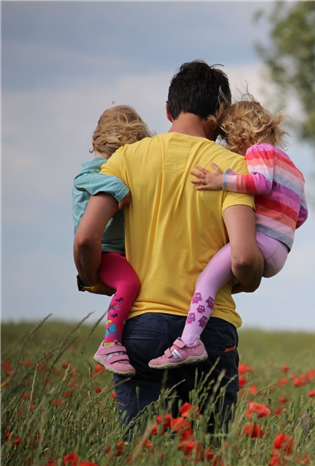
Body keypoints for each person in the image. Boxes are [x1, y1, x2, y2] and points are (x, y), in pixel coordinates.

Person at [73, 60, 264, 428]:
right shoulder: (232, 168)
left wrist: (94, 278)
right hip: (210, 330)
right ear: (220, 113)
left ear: (167, 109)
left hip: (141, 325)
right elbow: (242, 258)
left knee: (144, 449)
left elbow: (85, 238)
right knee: (207, 450)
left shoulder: (125, 159)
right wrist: (251, 279)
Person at [148, 96, 308, 369]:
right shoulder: (293, 168)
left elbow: (261, 183)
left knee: (206, 282)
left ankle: (188, 342)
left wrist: (221, 180)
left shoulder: (260, 152)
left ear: (242, 132)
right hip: (280, 249)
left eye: (228, 138)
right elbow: (301, 214)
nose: (228, 146)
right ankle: (196, 328)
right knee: (219, 283)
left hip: (261, 242)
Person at [72, 105, 151, 377]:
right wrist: (118, 187)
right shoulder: (97, 169)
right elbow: (83, 178)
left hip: (118, 251)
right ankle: (110, 343)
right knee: (129, 283)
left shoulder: (111, 166)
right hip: (104, 251)